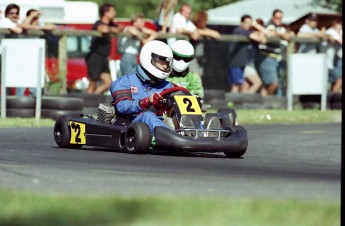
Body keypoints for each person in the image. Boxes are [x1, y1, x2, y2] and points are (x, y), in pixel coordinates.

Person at [110, 40, 175, 135]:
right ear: (147, 59)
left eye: (167, 62)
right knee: (148, 115)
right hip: (132, 124)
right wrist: (147, 101)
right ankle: (171, 138)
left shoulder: (168, 86)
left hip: (162, 123)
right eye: (161, 61)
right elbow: (122, 106)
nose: (165, 66)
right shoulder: (125, 81)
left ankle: (196, 135)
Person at [85, 3, 124, 95]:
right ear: (106, 13)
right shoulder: (98, 23)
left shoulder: (111, 24)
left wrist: (114, 29)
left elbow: (120, 28)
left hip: (103, 57)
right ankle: (86, 103)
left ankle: (94, 97)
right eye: (112, 11)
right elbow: (104, 29)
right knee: (92, 83)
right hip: (95, 56)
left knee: (108, 83)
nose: (115, 13)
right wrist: (112, 29)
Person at [254, 9, 293, 96]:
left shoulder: (281, 28)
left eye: (280, 18)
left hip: (276, 58)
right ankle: (267, 101)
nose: (278, 20)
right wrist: (282, 35)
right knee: (273, 84)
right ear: (273, 17)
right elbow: (269, 33)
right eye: (277, 18)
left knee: (268, 84)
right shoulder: (269, 25)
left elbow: (288, 36)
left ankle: (263, 104)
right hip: (266, 57)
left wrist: (283, 35)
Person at [227, 15, 266, 93]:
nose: (247, 25)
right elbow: (259, 39)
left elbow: (263, 40)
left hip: (242, 64)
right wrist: (257, 27)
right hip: (236, 63)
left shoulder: (248, 32)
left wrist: (257, 27)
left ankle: (241, 102)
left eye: (249, 23)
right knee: (236, 85)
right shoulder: (239, 31)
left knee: (244, 85)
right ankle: (230, 104)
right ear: (241, 23)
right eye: (246, 23)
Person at [119, 13, 158, 77]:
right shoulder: (129, 28)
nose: (143, 23)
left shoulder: (140, 30)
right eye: (140, 22)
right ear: (134, 22)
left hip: (133, 57)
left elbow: (155, 33)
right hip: (127, 57)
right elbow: (134, 32)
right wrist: (143, 40)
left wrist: (147, 40)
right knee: (129, 79)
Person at [190, 10, 221, 78]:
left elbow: (218, 35)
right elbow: (195, 36)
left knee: (198, 80)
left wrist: (203, 32)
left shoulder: (203, 29)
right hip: (192, 58)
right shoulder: (191, 27)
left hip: (200, 58)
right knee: (196, 79)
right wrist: (202, 32)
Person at [325, 19, 342, 93]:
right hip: (328, 62)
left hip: (335, 61)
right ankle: (332, 97)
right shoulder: (330, 32)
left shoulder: (339, 32)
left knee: (336, 81)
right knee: (339, 80)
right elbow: (340, 41)